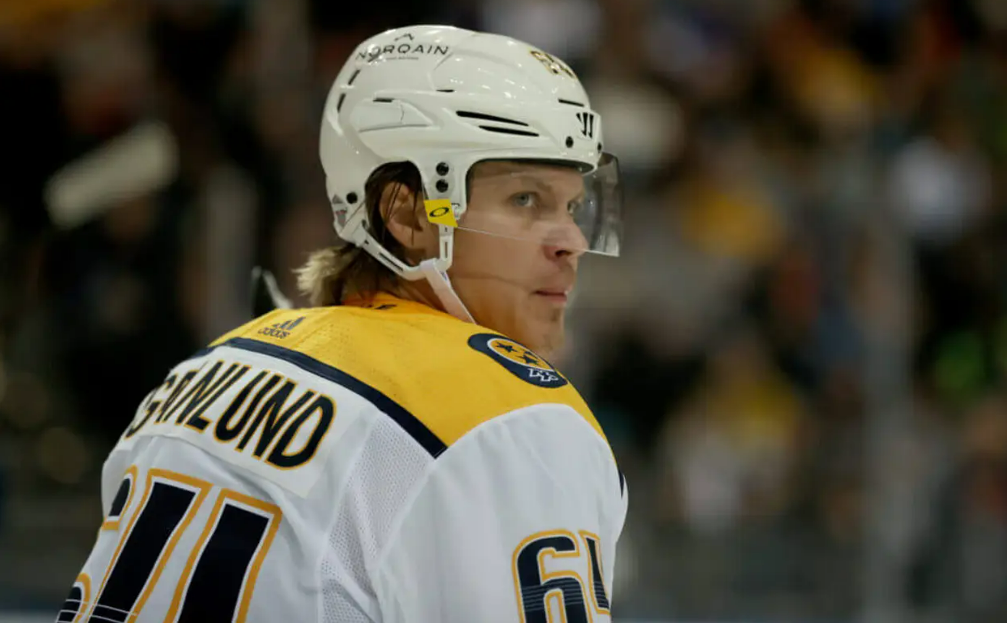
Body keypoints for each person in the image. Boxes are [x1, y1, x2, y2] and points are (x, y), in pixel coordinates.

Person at [59, 24, 627, 622]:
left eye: (571, 206)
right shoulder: (509, 419)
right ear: (407, 215)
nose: (572, 241)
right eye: (525, 200)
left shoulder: (197, 376)